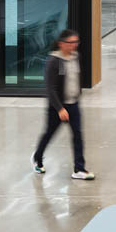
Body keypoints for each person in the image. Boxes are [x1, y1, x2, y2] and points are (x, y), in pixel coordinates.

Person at [32, 29, 94, 180]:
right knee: (49, 134)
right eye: (70, 43)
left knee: (77, 135)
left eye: (76, 42)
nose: (74, 45)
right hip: (57, 107)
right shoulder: (54, 61)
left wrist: (77, 95)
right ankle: (37, 159)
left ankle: (79, 169)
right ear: (61, 43)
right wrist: (60, 109)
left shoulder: (75, 57)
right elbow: (51, 88)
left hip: (74, 104)